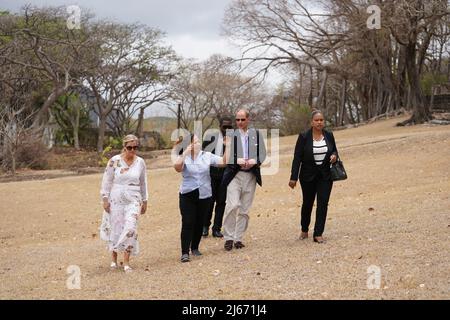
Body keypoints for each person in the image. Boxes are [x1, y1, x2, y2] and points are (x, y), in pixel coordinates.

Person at [173, 134, 230, 262]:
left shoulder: (206, 155)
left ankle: (195, 248)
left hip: (205, 194)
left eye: (198, 142)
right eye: (195, 142)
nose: (198, 144)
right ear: (189, 144)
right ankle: (184, 252)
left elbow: (224, 162)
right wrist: (185, 153)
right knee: (188, 222)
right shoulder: (184, 157)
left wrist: (228, 146)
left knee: (199, 222)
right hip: (187, 194)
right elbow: (177, 168)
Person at [99, 134, 148, 272]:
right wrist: (105, 199)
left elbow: (143, 183)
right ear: (124, 147)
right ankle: (114, 259)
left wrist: (145, 201)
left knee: (131, 228)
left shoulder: (140, 162)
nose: (132, 150)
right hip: (116, 200)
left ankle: (126, 261)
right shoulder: (114, 161)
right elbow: (107, 181)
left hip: (134, 199)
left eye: (135, 147)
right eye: (129, 147)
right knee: (116, 228)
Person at [288, 110, 338, 243]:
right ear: (312, 122)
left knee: (323, 203)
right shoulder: (304, 137)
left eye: (321, 120)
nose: (319, 122)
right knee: (308, 203)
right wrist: (294, 177)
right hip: (307, 176)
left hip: (325, 176)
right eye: (317, 120)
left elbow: (334, 150)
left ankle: (318, 233)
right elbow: (297, 158)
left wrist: (334, 156)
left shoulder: (329, 135)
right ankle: (304, 229)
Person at [222, 109, 266, 251]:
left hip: (251, 176)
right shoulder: (230, 135)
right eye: (237, 120)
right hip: (234, 175)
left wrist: (254, 161)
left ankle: (238, 238)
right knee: (233, 205)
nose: (239, 122)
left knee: (245, 210)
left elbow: (263, 154)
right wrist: (237, 160)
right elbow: (225, 157)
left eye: (242, 119)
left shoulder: (256, 135)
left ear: (248, 119)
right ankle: (228, 237)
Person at [201, 116, 233, 238]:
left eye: (230, 127)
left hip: (225, 174)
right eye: (225, 126)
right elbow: (202, 153)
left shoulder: (234, 139)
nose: (227, 129)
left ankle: (216, 228)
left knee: (221, 202)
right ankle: (205, 226)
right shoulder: (211, 137)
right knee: (210, 201)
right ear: (220, 126)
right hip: (211, 173)